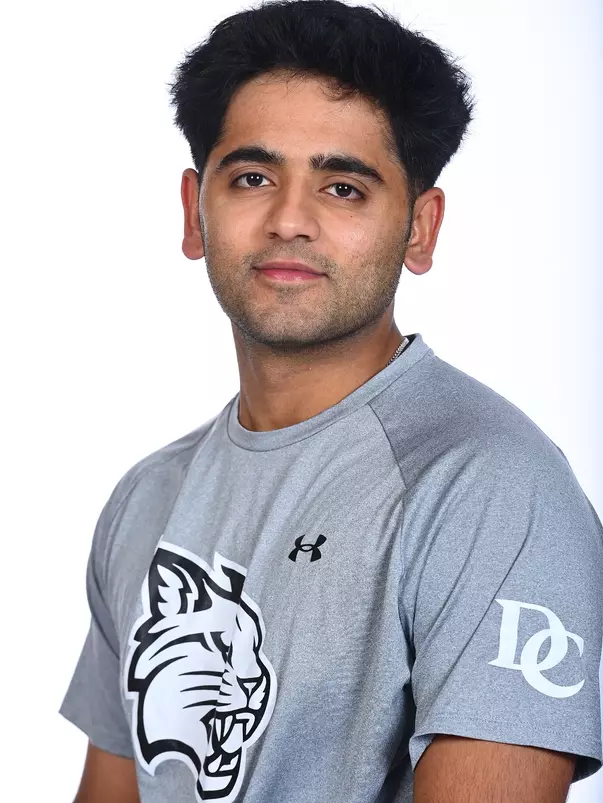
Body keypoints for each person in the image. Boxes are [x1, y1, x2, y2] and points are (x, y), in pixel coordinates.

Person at [59, 1, 603, 801]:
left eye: (343, 187)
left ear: (419, 229)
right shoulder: (147, 497)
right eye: (252, 177)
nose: (288, 220)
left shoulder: (493, 490)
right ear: (193, 211)